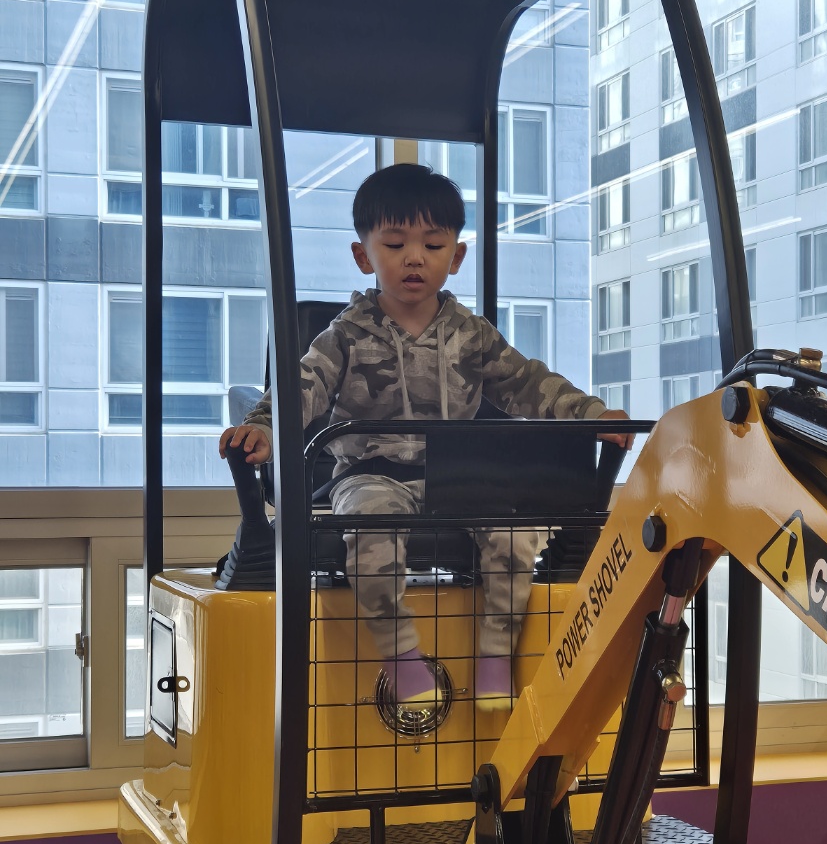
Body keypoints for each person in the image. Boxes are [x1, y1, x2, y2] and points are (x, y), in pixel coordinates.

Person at [219, 163, 630, 707]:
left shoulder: (471, 335)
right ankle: (402, 660)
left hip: (458, 479)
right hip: (371, 475)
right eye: (395, 244)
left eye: (433, 245)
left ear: (455, 257)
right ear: (364, 255)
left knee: (516, 532)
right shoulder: (345, 334)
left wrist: (591, 414)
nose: (415, 257)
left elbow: (528, 384)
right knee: (371, 525)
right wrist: (263, 427)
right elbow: (303, 388)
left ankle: (495, 658)